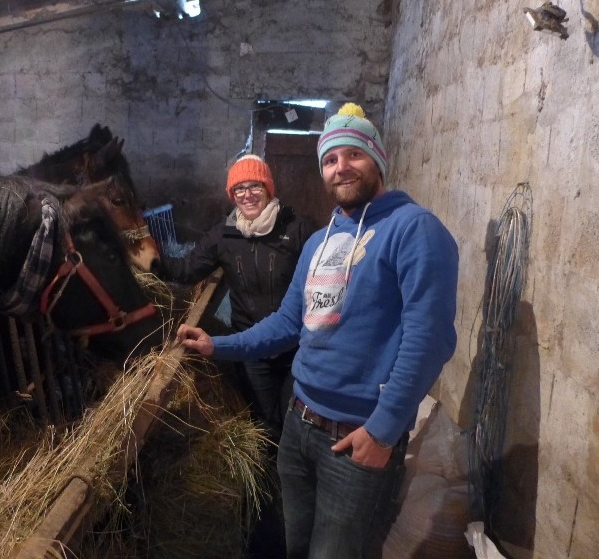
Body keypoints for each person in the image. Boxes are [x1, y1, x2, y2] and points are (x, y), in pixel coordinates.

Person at [176, 103, 459, 558]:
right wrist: (218, 344)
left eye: (354, 155)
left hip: (355, 438)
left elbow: (430, 339)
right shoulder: (318, 242)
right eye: (330, 159)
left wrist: (383, 430)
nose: (340, 167)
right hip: (299, 423)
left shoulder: (415, 230)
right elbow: (290, 322)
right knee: (295, 544)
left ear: (378, 160)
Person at [161, 154, 316, 441]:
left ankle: (296, 474)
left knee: (296, 419)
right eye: (239, 189)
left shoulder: (298, 230)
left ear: (268, 188)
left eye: (254, 185)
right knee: (265, 421)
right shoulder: (224, 235)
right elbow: (185, 270)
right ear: (232, 195)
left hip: (296, 346)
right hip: (251, 347)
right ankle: (273, 481)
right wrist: (145, 255)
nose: (247, 195)